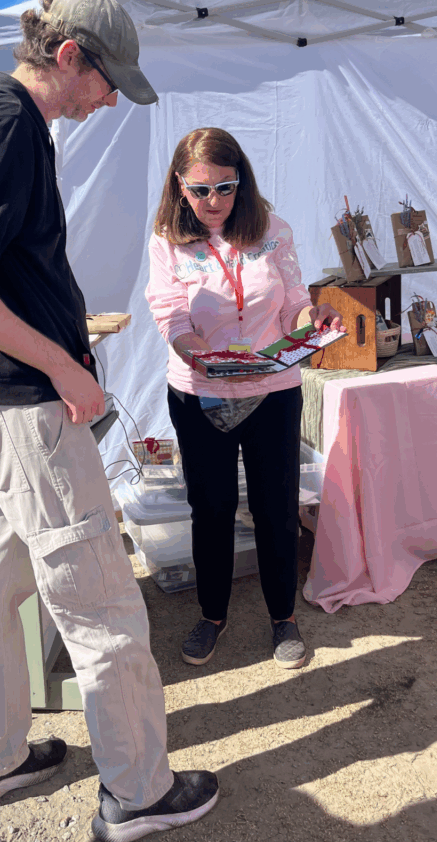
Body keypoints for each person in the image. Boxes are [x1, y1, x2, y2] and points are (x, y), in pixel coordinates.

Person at [0, 0, 218, 840]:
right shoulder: (9, 118)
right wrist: (60, 365)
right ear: (72, 55)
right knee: (104, 604)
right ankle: (139, 793)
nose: (111, 99)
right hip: (28, 408)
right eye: (109, 79)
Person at [146, 128, 343, 669]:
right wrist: (193, 351)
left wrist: (313, 320)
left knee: (275, 508)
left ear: (243, 182)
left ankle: (284, 617)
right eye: (200, 190)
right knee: (209, 508)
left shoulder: (274, 231)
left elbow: (294, 306)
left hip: (272, 390)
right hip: (198, 392)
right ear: (179, 186)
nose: (214, 202)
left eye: (226, 188)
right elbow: (170, 312)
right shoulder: (167, 239)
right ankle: (213, 615)